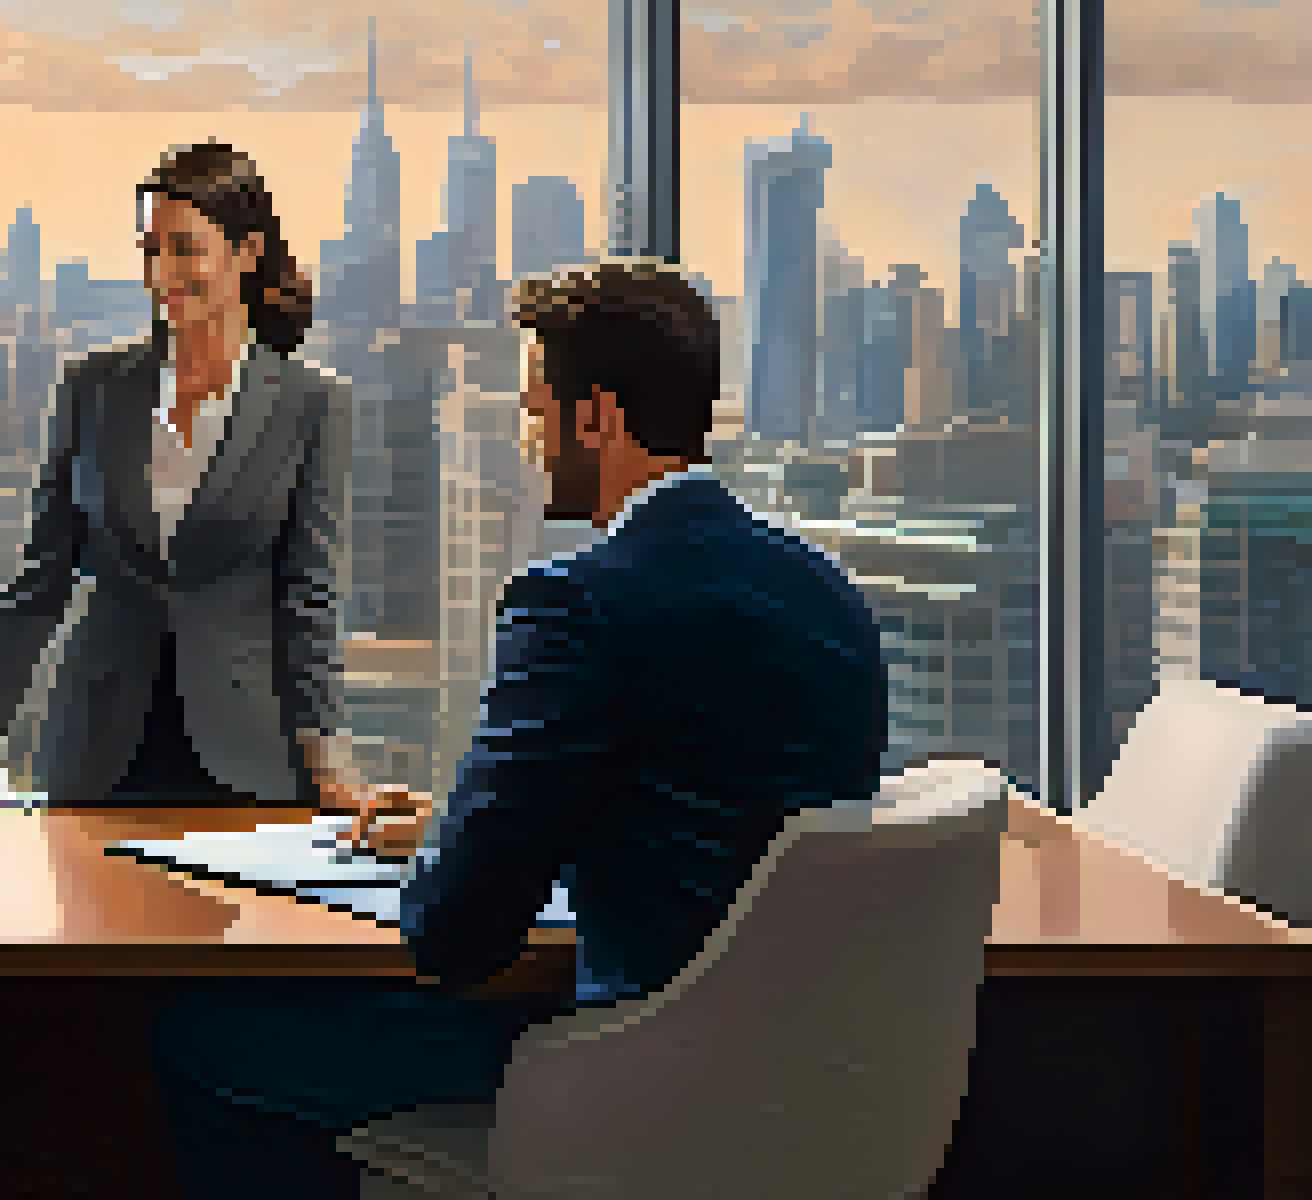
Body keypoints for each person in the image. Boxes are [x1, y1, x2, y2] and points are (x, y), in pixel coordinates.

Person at [152, 260, 890, 1199]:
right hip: (806, 1090)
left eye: (536, 409)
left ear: (598, 418)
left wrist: (460, 850)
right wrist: (468, 823)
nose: (527, 437)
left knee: (209, 1033)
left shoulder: (576, 602)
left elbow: (453, 935)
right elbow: (713, 819)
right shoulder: (828, 595)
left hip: (625, 1076)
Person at [0, 141, 366, 811]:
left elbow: (309, 596)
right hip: (95, 749)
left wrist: (325, 756)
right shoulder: (92, 388)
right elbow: (40, 580)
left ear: (246, 252)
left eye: (185, 248)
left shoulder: (313, 406)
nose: (162, 273)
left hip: (249, 753)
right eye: (150, 249)